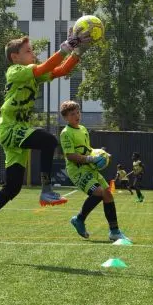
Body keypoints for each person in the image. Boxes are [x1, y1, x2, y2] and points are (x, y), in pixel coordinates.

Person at [0, 31, 91, 252]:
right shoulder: (15, 72)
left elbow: (61, 70)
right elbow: (43, 68)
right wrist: (66, 47)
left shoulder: (30, 72)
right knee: (48, 140)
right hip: (10, 128)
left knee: (12, 187)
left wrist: (78, 51)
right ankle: (46, 189)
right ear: (15, 57)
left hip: (19, 130)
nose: (33, 54)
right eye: (28, 51)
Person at [59, 100, 129, 241]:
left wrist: (101, 154)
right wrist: (91, 159)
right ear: (65, 117)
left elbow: (88, 149)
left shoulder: (83, 129)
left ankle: (114, 231)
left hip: (90, 169)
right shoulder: (65, 133)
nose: (77, 115)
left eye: (78, 112)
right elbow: (71, 156)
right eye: (72, 114)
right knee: (98, 192)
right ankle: (79, 219)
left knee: (108, 194)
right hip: (77, 171)